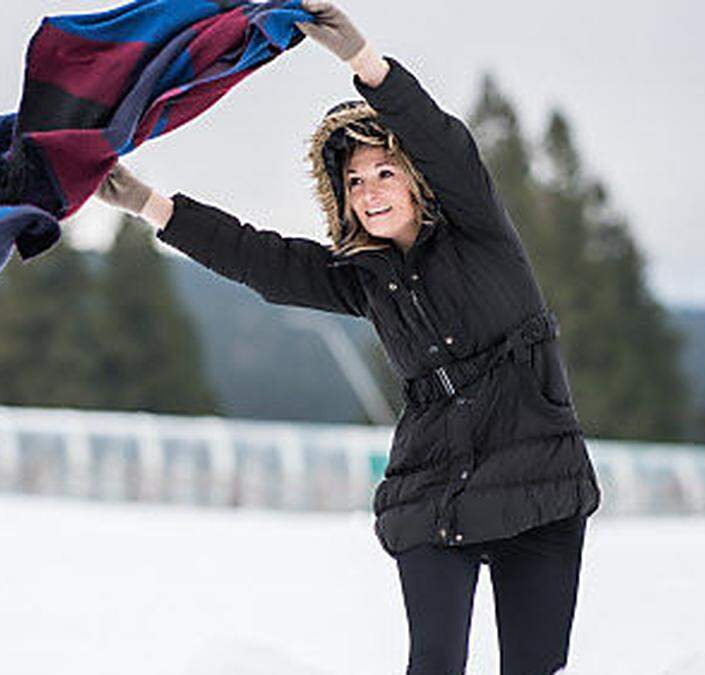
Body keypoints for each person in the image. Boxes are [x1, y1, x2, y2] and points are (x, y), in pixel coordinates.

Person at [95, 2, 602, 673]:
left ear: (417, 182)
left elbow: (441, 141)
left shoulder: (480, 231)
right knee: (433, 664)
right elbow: (262, 260)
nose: (368, 190)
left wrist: (363, 60)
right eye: (354, 180)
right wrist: (149, 205)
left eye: (383, 172)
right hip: (434, 487)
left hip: (536, 478)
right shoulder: (365, 277)